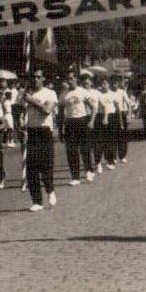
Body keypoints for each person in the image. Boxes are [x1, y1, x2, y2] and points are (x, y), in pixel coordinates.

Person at [23, 70, 59, 212]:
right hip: (31, 131)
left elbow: (47, 110)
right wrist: (21, 121)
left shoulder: (49, 93)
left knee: (46, 165)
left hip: (44, 131)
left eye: (38, 77)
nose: (36, 79)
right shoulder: (25, 93)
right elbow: (20, 111)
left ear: (43, 78)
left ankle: (50, 189)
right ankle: (37, 201)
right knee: (31, 168)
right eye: (33, 76)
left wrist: (31, 100)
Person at [59, 71, 94, 186]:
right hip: (70, 123)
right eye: (68, 79)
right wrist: (61, 129)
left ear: (76, 79)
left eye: (71, 79)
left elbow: (93, 107)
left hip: (82, 120)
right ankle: (75, 177)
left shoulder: (82, 91)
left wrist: (91, 121)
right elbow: (60, 111)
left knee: (85, 148)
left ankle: (89, 170)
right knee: (71, 151)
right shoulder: (64, 94)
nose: (70, 81)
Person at [112, 75, 134, 164]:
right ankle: (113, 157)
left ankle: (122, 156)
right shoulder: (109, 92)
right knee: (113, 136)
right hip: (112, 114)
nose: (114, 85)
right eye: (113, 83)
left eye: (116, 83)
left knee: (123, 136)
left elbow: (129, 103)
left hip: (122, 114)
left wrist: (129, 115)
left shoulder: (122, 92)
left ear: (118, 84)